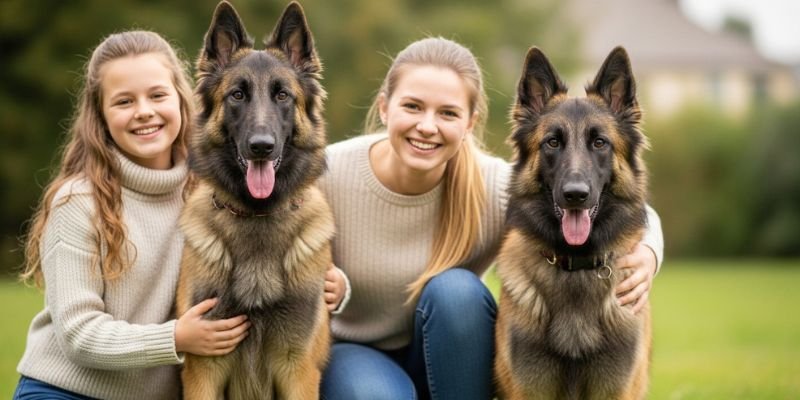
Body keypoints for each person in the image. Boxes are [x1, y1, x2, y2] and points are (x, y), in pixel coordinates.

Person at [319, 37, 664, 399]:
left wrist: (650, 253)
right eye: (413, 106)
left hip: (450, 356)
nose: (427, 126)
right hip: (359, 354)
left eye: (448, 113)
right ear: (385, 108)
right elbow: (265, 216)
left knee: (458, 292)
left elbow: (637, 208)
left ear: (470, 122)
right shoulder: (328, 171)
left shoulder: (493, 185)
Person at [14, 31, 250, 400]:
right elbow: (79, 333)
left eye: (157, 95)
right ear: (100, 116)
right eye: (124, 101)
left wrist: (333, 283)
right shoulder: (78, 202)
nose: (144, 110)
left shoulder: (212, 191)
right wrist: (175, 337)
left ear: (182, 100)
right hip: (66, 391)